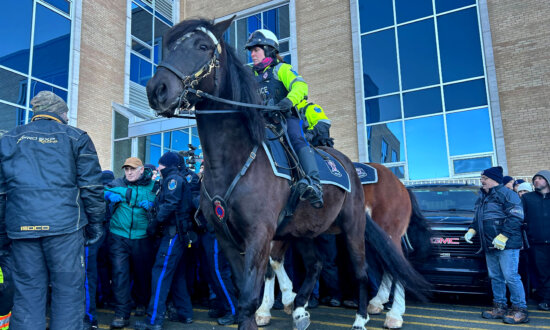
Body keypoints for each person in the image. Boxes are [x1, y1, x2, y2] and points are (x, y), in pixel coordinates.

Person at [0, 91, 105, 329]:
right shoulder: (76, 137)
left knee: (27, 293)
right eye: (66, 112)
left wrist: (2, 232)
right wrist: (97, 223)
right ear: (59, 112)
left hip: (22, 228)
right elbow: (91, 185)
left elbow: (1, 193)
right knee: (68, 291)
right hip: (65, 227)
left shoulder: (9, 139)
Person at [245, 29, 323, 208]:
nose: (252, 54)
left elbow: (301, 86)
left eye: (256, 49)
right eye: (251, 51)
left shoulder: (282, 69)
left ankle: (314, 183)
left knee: (297, 138)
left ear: (269, 49)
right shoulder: (248, 74)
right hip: (260, 123)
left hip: (284, 120)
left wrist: (289, 100)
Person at [135, 152, 195, 330]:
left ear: (164, 165)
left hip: (172, 233)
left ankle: (153, 320)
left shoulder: (172, 180)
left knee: (160, 273)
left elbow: (170, 205)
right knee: (176, 275)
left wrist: (154, 224)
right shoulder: (172, 179)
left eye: (159, 164)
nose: (158, 168)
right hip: (177, 234)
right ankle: (185, 313)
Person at [464, 166, 528, 324]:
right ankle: (500, 307)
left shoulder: (507, 194)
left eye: (484, 178)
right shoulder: (482, 197)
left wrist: (504, 235)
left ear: (494, 179)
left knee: (511, 276)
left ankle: (520, 310)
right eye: (482, 178)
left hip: (507, 244)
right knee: (495, 277)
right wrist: (472, 229)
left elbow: (516, 215)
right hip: (489, 244)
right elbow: (477, 217)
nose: (482, 181)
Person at [106, 157, 157, 328]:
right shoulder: (117, 183)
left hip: (142, 237)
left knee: (142, 274)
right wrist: (107, 194)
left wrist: (153, 205)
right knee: (120, 275)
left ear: (142, 170)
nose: (129, 172)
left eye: (133, 169)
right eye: (126, 169)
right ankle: (122, 314)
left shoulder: (154, 186)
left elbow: (164, 203)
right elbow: (100, 191)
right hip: (118, 236)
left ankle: (141, 303)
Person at [522, 170, 550, 311]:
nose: (536, 181)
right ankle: (546, 300)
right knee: (542, 273)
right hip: (536, 243)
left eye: (540, 178)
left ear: (547, 180)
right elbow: (521, 218)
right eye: (535, 179)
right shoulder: (527, 198)